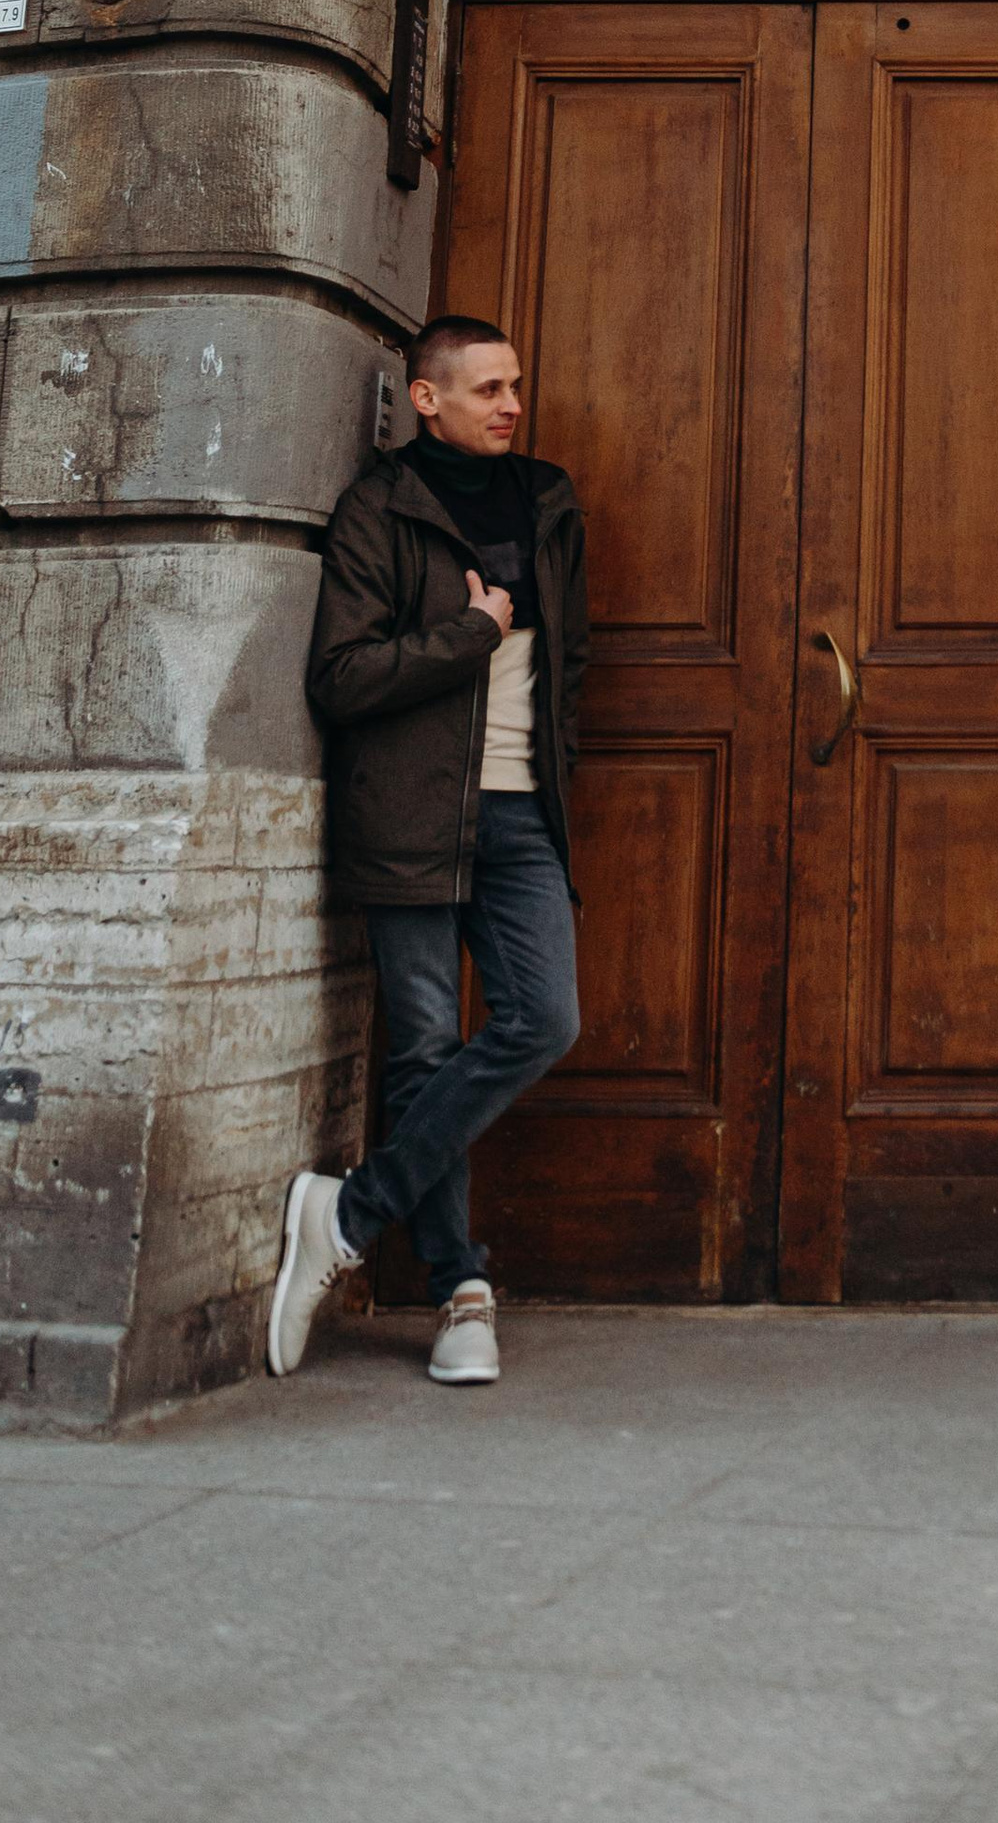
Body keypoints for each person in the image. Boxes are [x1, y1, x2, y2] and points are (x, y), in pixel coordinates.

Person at [266, 316, 587, 1389]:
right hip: (407, 812)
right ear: (426, 398)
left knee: (544, 1018)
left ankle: (347, 1214)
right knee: (424, 1052)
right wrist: (471, 635)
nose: (511, 404)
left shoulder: (548, 502)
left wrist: (554, 764)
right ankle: (462, 1292)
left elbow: (571, 662)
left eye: (515, 384)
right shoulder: (380, 510)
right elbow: (342, 676)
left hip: (520, 815)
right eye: (487, 388)